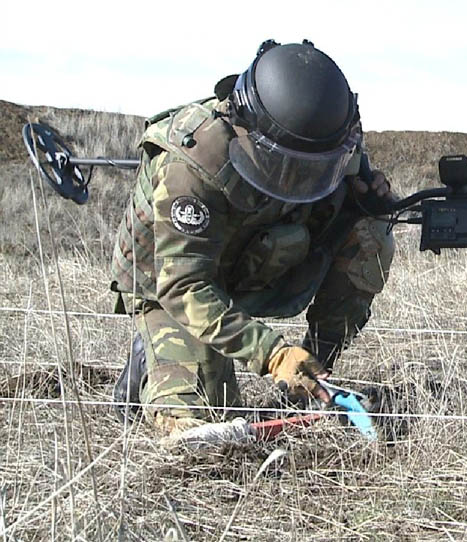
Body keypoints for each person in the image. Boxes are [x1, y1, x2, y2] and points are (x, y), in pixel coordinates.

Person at [110, 39, 395, 437]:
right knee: (204, 431)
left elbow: (342, 203)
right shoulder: (192, 162)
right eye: (283, 164)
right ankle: (151, 354)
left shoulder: (334, 140)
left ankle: (315, 376)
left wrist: (366, 201)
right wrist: (272, 353)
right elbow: (184, 285)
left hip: (257, 257)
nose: (295, 178)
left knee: (371, 234)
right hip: (175, 286)